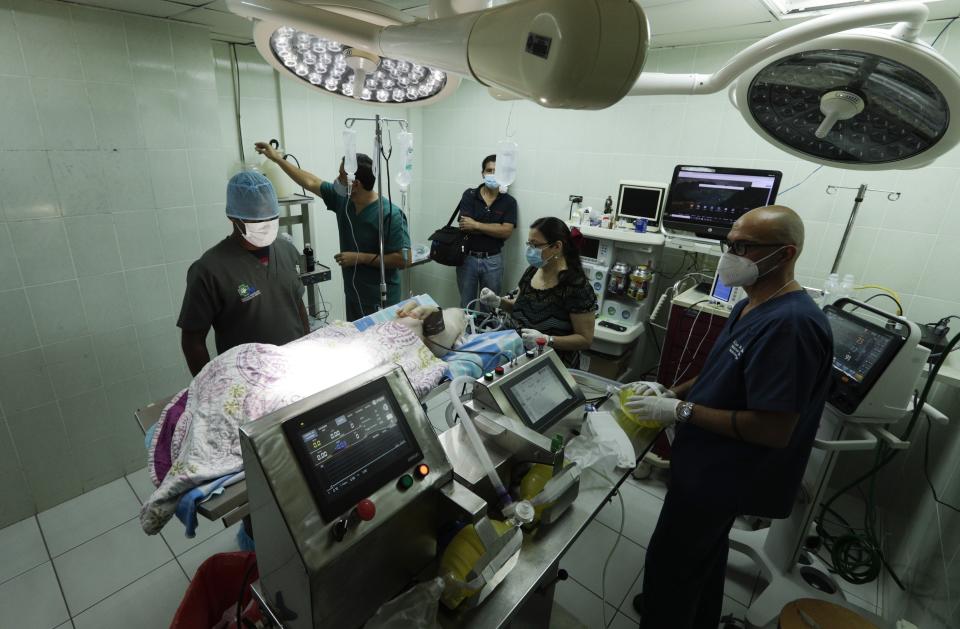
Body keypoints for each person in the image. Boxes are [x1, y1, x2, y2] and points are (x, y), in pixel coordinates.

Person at [624, 206, 833, 629]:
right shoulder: (751, 304)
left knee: (672, 562)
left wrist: (679, 411)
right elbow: (722, 368)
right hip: (702, 463)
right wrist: (673, 391)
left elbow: (773, 428)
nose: (730, 255)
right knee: (705, 556)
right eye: (729, 243)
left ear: (786, 253)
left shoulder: (791, 325)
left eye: (744, 247)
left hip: (725, 476)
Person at [255, 141, 410, 321]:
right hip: (353, 294)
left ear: (356, 183)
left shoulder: (390, 214)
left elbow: (404, 259)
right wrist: (277, 159)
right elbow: (311, 181)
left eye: (341, 175)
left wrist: (359, 257)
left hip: (380, 298)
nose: (336, 179)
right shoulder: (344, 201)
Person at [178, 171, 309, 377]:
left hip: (295, 368)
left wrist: (306, 345)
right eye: (257, 222)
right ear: (233, 218)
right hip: (246, 378)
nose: (266, 227)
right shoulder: (209, 270)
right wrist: (211, 385)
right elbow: (192, 341)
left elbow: (297, 304)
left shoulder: (286, 250)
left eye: (272, 218)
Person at [479, 217, 595, 367]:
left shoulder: (576, 286)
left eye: (535, 245)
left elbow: (585, 339)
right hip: (518, 356)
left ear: (557, 247)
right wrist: (499, 302)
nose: (530, 250)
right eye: (529, 244)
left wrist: (547, 340)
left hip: (552, 364)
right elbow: (518, 307)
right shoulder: (532, 271)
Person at [455, 154, 518, 309]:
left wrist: (476, 225)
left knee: (490, 307)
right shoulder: (470, 195)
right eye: (489, 171)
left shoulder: (509, 202)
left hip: (493, 261)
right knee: (466, 306)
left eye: (496, 171)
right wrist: (494, 228)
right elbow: (464, 225)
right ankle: (467, 332)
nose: (492, 175)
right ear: (483, 173)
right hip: (467, 258)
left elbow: (506, 232)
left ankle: (486, 332)